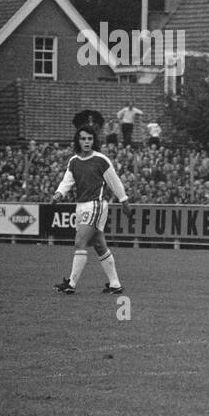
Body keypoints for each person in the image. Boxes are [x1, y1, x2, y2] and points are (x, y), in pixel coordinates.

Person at [51, 126, 132, 294]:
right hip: (81, 206)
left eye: (89, 139)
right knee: (98, 244)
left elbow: (114, 181)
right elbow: (67, 180)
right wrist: (59, 193)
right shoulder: (73, 161)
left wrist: (123, 200)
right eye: (83, 139)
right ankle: (115, 284)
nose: (87, 142)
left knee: (80, 242)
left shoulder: (101, 159)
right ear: (78, 141)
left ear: (94, 140)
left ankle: (71, 284)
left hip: (95, 205)